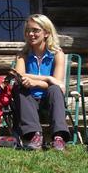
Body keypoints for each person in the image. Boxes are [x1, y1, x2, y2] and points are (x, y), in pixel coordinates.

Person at [11, 14, 71, 151]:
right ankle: (35, 136)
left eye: (35, 30)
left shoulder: (57, 54)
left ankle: (58, 137)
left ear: (46, 33)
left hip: (49, 101)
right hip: (28, 103)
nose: (31, 34)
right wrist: (47, 79)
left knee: (55, 89)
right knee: (19, 88)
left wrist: (36, 82)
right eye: (28, 31)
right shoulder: (23, 55)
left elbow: (58, 83)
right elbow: (18, 76)